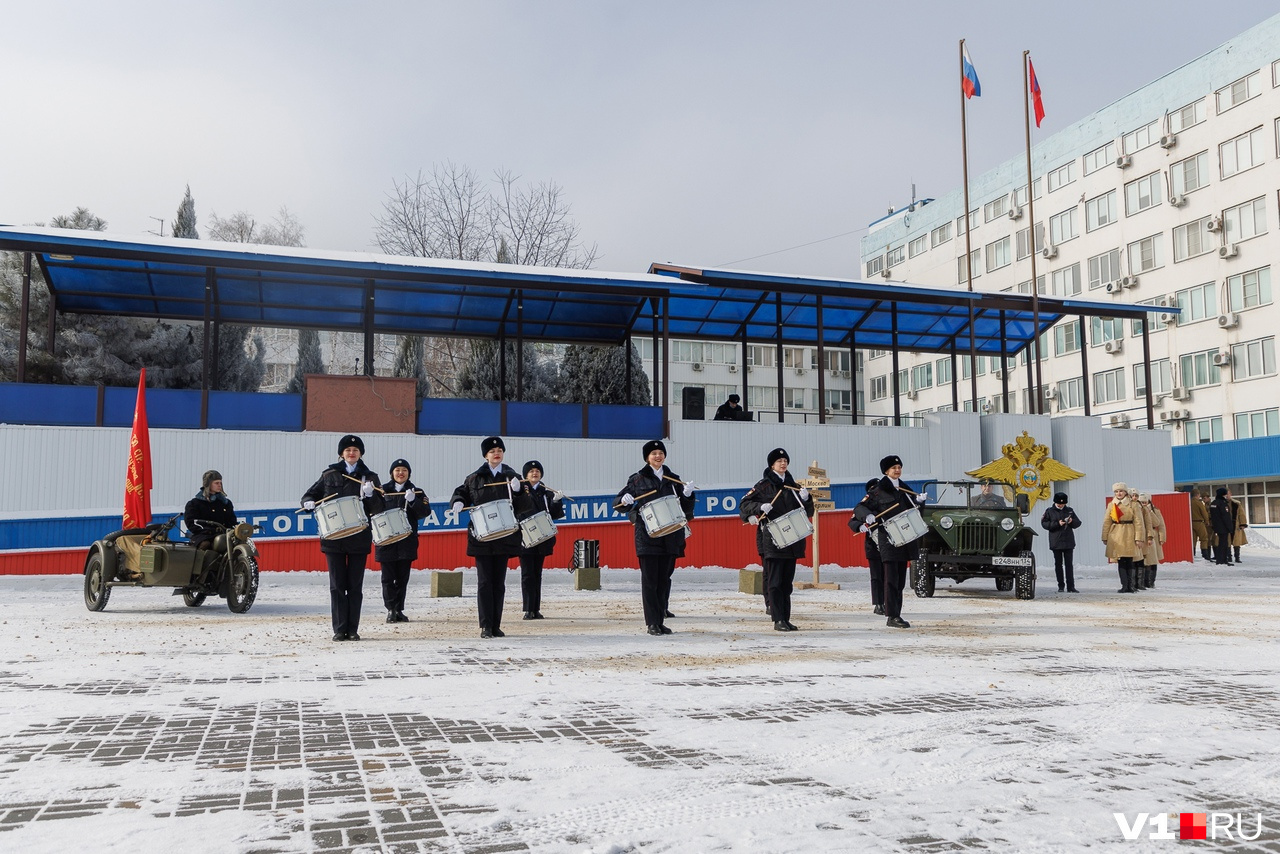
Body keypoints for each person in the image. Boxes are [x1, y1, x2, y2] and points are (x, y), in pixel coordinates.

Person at [302, 435, 384, 641]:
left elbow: (379, 509)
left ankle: (353, 629)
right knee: (337, 585)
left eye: (355, 450)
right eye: (347, 450)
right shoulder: (329, 475)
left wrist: (371, 495)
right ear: (341, 453)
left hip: (358, 537)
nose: (351, 453)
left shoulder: (370, 477)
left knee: (355, 586)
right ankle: (339, 629)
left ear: (361, 453)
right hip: (334, 538)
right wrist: (309, 502)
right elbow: (309, 495)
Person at [451, 437, 533, 639]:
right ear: (485, 455)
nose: (496, 453)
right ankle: (486, 626)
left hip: (504, 537)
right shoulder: (474, 478)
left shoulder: (513, 477)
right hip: (482, 538)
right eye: (492, 450)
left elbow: (525, 506)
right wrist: (458, 502)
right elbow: (461, 493)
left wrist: (518, 491)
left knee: (499, 583)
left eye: (499, 450)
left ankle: (496, 625)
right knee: (485, 582)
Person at [616, 439, 696, 636]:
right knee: (650, 580)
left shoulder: (674, 479)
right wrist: (623, 501)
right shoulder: (637, 480)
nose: (658, 456)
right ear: (647, 458)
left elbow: (685, 510)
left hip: (670, 536)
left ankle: (660, 620)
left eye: (660, 452)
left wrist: (687, 495)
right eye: (653, 454)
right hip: (647, 536)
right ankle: (652, 622)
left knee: (663, 579)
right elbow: (619, 505)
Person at [740, 448, 815, 632]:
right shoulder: (763, 486)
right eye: (779, 461)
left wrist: (807, 499)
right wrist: (758, 507)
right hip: (772, 540)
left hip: (793, 541)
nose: (783, 464)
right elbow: (744, 504)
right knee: (774, 581)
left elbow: (809, 512)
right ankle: (777, 619)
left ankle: (786, 618)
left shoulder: (794, 487)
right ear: (772, 465)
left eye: (785, 461)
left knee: (786, 583)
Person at [862, 454, 926, 628]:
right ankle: (891, 616)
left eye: (899, 467)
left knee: (900, 581)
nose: (897, 470)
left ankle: (897, 613)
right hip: (888, 539)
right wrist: (866, 516)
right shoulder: (877, 491)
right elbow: (861, 507)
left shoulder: (905, 490)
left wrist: (919, 503)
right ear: (886, 471)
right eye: (893, 468)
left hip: (905, 539)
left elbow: (914, 512)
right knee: (890, 579)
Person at [375, 458, 430, 624]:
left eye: (404, 470)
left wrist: (414, 501)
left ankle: (399, 609)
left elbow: (424, 512)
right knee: (387, 578)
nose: (401, 473)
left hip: (407, 541)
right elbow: (372, 509)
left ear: (409, 473)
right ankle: (391, 609)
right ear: (392, 473)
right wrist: (369, 495)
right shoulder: (382, 490)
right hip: (386, 541)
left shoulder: (418, 492)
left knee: (402, 578)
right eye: (397, 470)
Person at [516, 460, 566, 620]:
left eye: (537, 471)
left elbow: (555, 514)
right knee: (527, 574)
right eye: (531, 471)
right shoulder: (520, 492)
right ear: (525, 475)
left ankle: (535, 608)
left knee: (537, 573)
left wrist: (557, 501)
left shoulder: (546, 493)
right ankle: (528, 609)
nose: (534, 473)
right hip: (526, 537)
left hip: (542, 539)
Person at [1101, 482, 1146, 593]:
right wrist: (1105, 536)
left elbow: (1139, 522)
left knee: (1129, 560)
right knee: (1120, 560)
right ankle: (1124, 585)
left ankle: (1131, 586)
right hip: (1116, 533)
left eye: (1121, 491)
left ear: (1126, 492)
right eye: (1116, 491)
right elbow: (1107, 521)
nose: (1119, 493)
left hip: (1129, 532)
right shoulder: (1112, 504)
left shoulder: (1133, 504)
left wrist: (1139, 537)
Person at [849, 478, 885, 615]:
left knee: (888, 576)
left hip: (888, 544)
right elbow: (852, 521)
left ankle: (889, 602)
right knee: (876, 577)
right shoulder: (866, 507)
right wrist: (860, 526)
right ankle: (878, 604)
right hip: (873, 546)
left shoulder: (886, 503)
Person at [184, 470, 237, 550]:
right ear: (208, 484)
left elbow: (232, 520)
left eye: (220, 483)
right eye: (216, 483)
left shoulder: (225, 503)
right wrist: (207, 531)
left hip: (225, 534)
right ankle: (202, 562)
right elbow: (191, 522)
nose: (219, 485)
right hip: (204, 535)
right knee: (205, 544)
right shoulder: (195, 503)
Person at [1040, 492, 1081, 593]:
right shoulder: (1049, 511)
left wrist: (1071, 522)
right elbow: (1044, 524)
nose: (1060, 505)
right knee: (1058, 564)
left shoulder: (1070, 511)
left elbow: (1078, 523)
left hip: (1068, 541)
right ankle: (1061, 585)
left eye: (1062, 504)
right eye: (1059, 504)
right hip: (1056, 541)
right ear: (1055, 502)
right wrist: (1057, 523)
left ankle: (1071, 586)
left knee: (1069, 565)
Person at [1137, 492, 1166, 588]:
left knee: (1152, 560)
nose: (1143, 504)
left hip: (1153, 536)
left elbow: (1160, 524)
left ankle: (1151, 581)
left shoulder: (1155, 510)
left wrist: (1162, 538)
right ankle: (1142, 582)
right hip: (1141, 536)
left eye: (1145, 502)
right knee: (1143, 560)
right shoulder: (1137, 510)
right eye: (1141, 502)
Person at [1209, 487, 1236, 565]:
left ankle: (1221, 559)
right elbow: (1225, 516)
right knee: (1223, 544)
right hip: (1223, 527)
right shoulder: (1222, 503)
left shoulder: (1213, 503)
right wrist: (1230, 527)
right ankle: (1222, 560)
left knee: (1221, 543)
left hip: (1216, 526)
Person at [1189, 487, 1213, 562]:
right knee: (1204, 538)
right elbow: (1204, 513)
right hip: (1199, 522)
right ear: (1197, 495)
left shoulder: (1189, 502)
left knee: (1193, 539)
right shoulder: (1198, 503)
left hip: (1191, 523)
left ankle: (1192, 553)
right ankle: (1205, 554)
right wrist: (1207, 521)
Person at [1227, 488, 1248, 563]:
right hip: (1226, 525)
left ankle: (1237, 557)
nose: (1227, 496)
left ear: (1231, 494)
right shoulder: (1222, 503)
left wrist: (1242, 524)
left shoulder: (1236, 503)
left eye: (1228, 494)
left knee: (1236, 542)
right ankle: (1228, 557)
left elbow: (1241, 514)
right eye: (1225, 494)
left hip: (1235, 525)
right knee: (1228, 542)